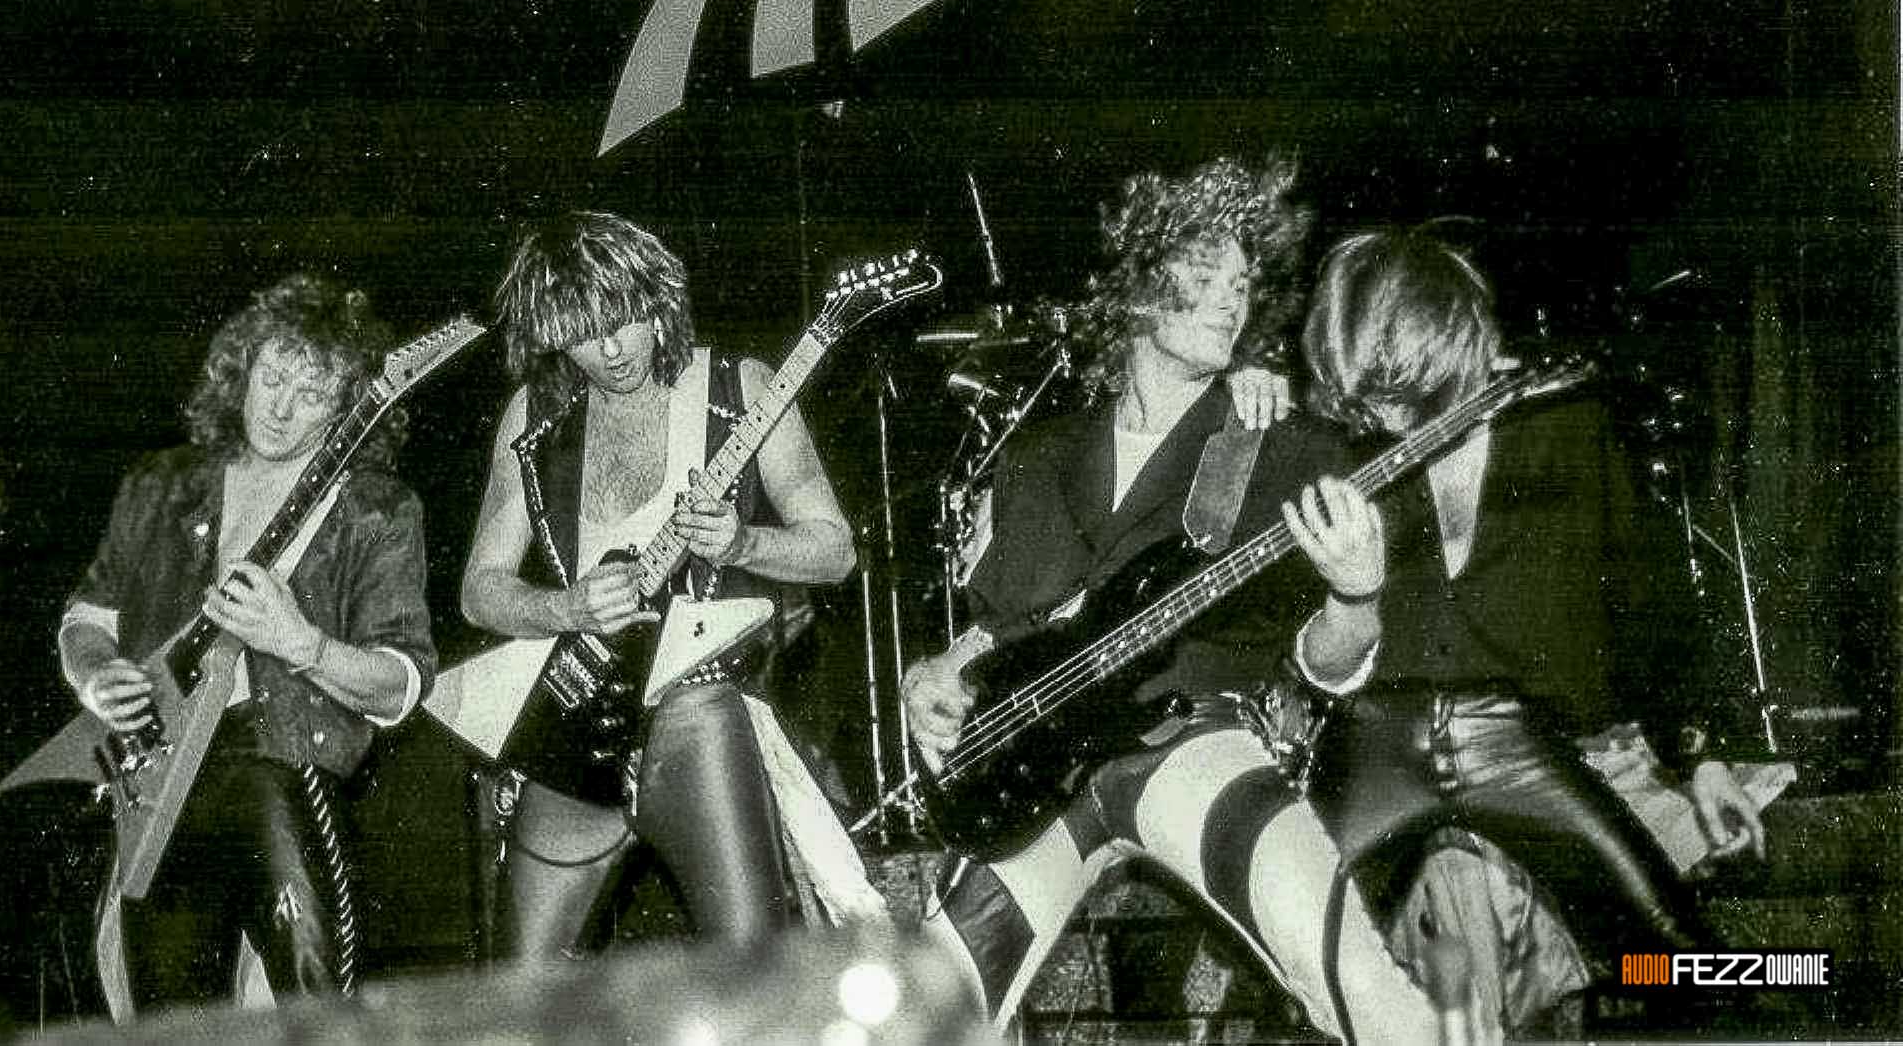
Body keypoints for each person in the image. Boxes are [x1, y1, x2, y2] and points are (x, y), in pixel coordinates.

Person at [900, 157, 1445, 1043]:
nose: (1234, 296)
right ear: (1142, 284)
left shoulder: (1283, 447)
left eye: (1245, 281)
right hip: (1042, 780)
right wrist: (935, 675)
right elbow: (1005, 629)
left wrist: (1359, 594)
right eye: (1208, 271)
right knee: (919, 1016)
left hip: (1190, 744)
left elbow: (1326, 664)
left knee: (1366, 990)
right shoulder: (1039, 455)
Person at [1297, 228, 1764, 1030]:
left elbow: (1646, 600)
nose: (1385, 419)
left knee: (1691, 967)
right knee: (1294, 959)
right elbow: (1307, 656)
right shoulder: (1340, 447)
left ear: (1451, 346)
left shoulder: (1567, 423)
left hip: (1519, 739)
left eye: (1402, 396)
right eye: (1369, 400)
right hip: (1375, 743)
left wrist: (1704, 754)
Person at [461, 211, 858, 959]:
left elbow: (835, 552)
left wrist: (744, 541)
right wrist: (565, 606)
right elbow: (480, 590)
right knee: (522, 988)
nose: (610, 351)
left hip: (698, 708)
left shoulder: (741, 388)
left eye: (621, 321)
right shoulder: (534, 416)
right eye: (582, 334)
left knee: (751, 966)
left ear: (657, 300)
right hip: (578, 722)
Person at [60, 273, 436, 1013]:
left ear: (349, 407)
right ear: (242, 365)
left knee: (317, 1015)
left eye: (312, 394)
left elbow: (403, 681)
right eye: (272, 378)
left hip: (282, 764)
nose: (281, 408)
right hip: (157, 784)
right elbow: (87, 617)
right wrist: (96, 675)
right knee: (171, 1024)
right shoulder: (162, 482)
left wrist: (303, 644)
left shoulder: (377, 510)